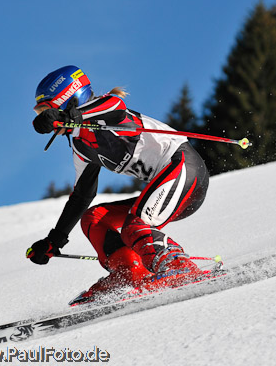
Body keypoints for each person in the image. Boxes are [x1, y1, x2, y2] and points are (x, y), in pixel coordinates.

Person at [26, 65, 210, 297]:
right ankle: (130, 272)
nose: (43, 118)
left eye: (45, 110)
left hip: (185, 170)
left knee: (135, 225)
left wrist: (67, 117)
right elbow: (82, 196)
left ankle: (178, 266)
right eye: (39, 114)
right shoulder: (82, 146)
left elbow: (116, 106)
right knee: (93, 218)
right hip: (166, 188)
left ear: (67, 100)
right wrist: (54, 240)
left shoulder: (103, 112)